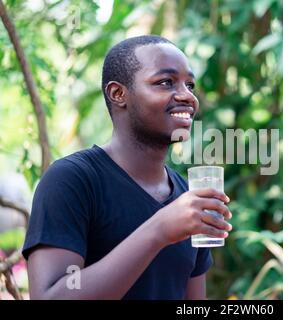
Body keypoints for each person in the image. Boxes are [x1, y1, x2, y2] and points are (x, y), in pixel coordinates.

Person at [22, 35, 233, 300]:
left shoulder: (187, 197)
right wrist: (159, 230)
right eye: (165, 82)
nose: (187, 96)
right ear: (118, 94)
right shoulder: (71, 179)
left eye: (190, 85)